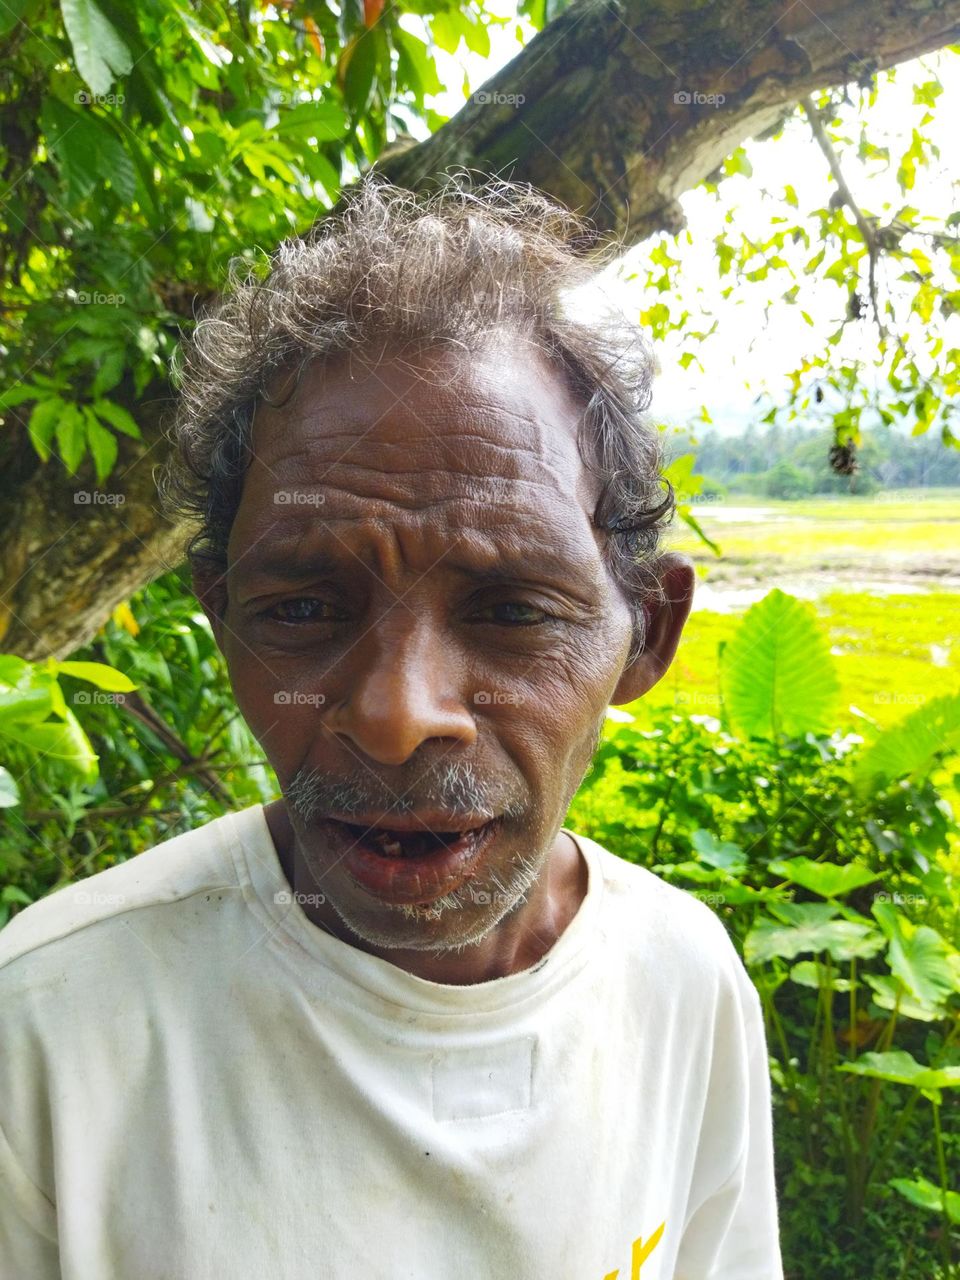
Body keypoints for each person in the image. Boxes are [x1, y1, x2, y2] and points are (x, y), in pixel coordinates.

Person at [0, 177, 782, 1278]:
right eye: (302, 610)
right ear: (224, 623)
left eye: (512, 610)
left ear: (646, 634)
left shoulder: (682, 983)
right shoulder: (47, 1030)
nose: (396, 716)